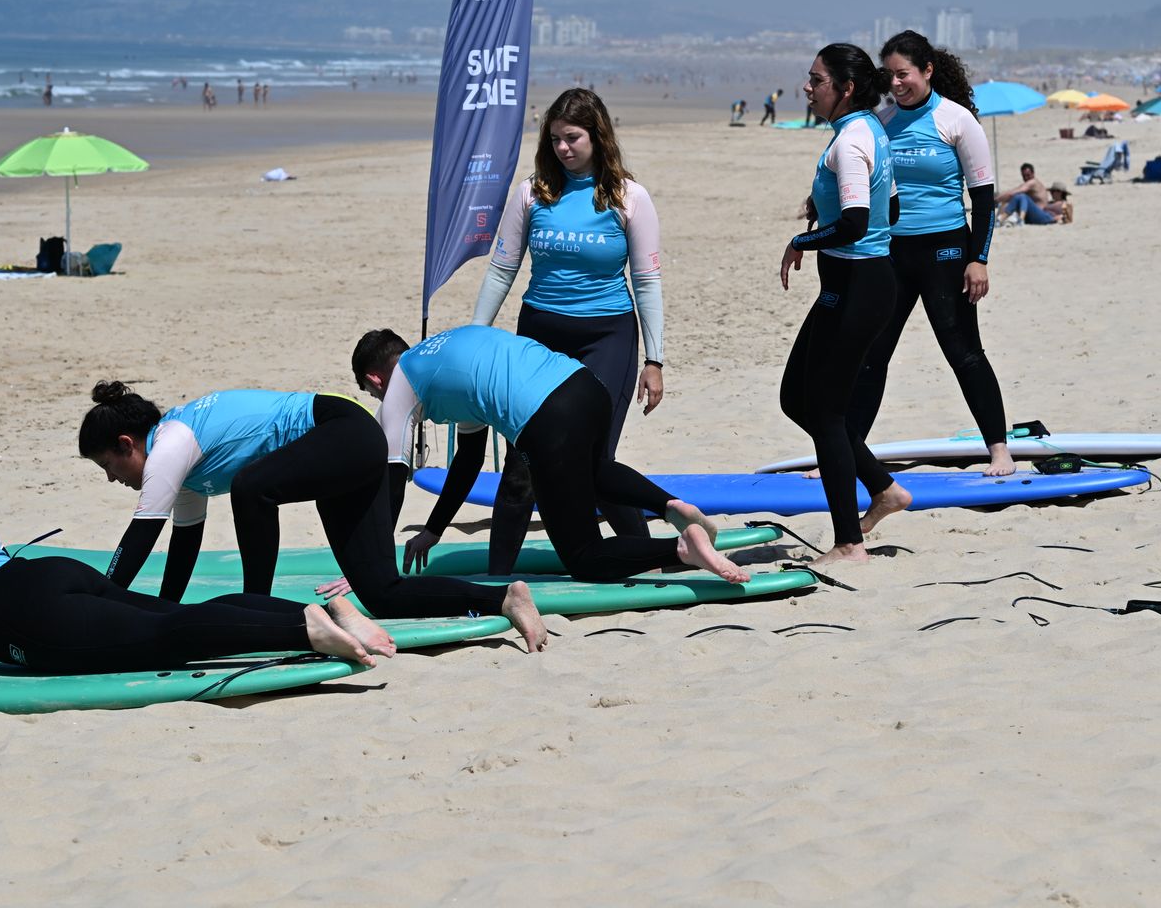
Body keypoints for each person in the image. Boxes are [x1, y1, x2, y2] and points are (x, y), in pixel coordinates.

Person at [0, 391, 380, 691]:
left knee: (166, 636)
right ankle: (320, 613)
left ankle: (303, 626)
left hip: (18, 611)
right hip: (43, 575)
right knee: (171, 618)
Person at [78, 382, 547, 650]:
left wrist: (97, 606)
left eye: (109, 466)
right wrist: (166, 616)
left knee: (251, 487)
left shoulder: (171, 444)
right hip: (345, 451)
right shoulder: (182, 469)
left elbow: (140, 537)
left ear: (127, 443)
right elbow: (181, 552)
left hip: (342, 429)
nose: (112, 479)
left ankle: (255, 611)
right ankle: (504, 599)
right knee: (384, 593)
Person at [350, 325, 749, 585]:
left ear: (375, 379)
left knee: (583, 558)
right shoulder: (442, 353)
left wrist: (373, 562)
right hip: (585, 387)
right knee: (594, 471)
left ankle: (681, 550)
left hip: (548, 418)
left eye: (374, 394)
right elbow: (469, 457)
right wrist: (435, 529)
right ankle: (669, 505)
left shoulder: (400, 384)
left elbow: (393, 478)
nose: (380, 401)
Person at [469, 88, 664, 569]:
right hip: (539, 338)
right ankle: (499, 580)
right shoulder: (532, 192)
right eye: (554, 139)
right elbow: (501, 269)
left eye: (572, 138)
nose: (562, 148)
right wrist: (475, 334)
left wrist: (654, 359)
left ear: (597, 137)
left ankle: (652, 559)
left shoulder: (628, 196)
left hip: (608, 338)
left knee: (596, 464)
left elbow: (647, 280)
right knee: (521, 465)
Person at [846, 31, 1014, 490]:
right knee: (871, 356)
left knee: (963, 351)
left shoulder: (957, 120)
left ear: (927, 71)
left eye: (904, 74)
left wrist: (978, 259)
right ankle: (849, 451)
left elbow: (984, 200)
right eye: (891, 75)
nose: (897, 83)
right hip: (891, 253)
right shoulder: (880, 121)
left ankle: (999, 448)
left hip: (947, 252)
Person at [777, 44, 909, 567]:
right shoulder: (871, 130)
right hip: (855, 285)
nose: (807, 88)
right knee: (796, 399)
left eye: (816, 80)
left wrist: (802, 241)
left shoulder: (852, 141)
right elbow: (891, 208)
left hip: (859, 288)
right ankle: (883, 489)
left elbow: (856, 222)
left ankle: (849, 543)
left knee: (827, 413)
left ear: (845, 88)